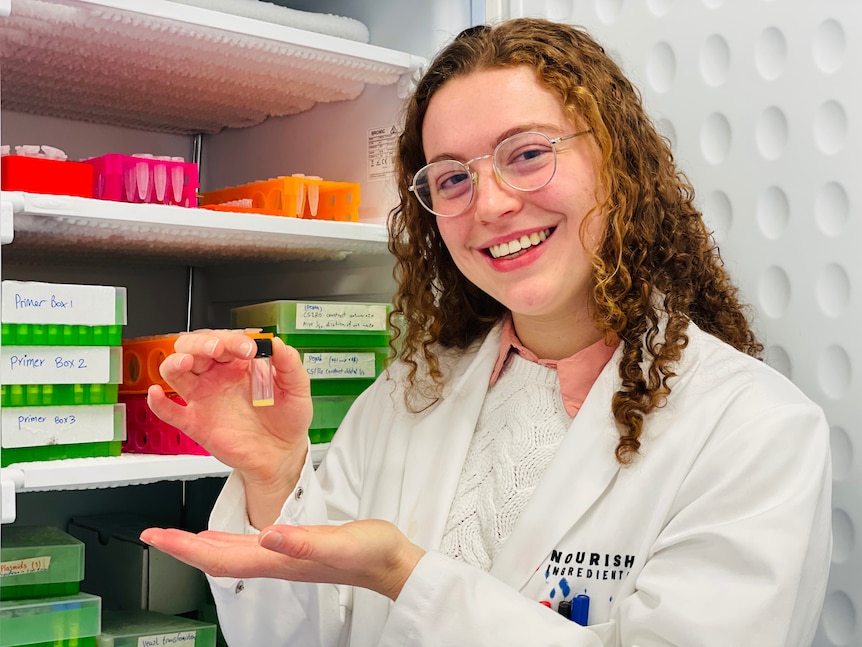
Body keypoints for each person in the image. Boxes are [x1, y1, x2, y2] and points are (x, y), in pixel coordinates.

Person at [140, 18, 832, 647]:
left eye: (527, 154)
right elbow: (298, 637)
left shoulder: (754, 430)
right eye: (451, 179)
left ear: (618, 165)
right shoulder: (408, 395)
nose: (493, 203)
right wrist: (273, 476)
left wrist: (407, 576)